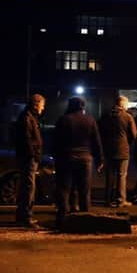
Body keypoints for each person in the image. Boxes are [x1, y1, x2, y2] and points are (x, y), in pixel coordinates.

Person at [53, 96, 104, 228]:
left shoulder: (63, 120)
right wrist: (100, 159)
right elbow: (97, 141)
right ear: (83, 106)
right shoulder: (90, 120)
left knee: (64, 189)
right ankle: (85, 219)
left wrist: (56, 157)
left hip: (67, 157)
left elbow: (56, 141)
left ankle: (62, 218)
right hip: (85, 158)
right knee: (84, 190)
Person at [14, 93, 45, 227]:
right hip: (29, 158)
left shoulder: (28, 117)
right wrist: (33, 155)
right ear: (36, 104)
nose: (43, 108)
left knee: (27, 186)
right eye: (42, 105)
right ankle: (26, 217)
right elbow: (27, 140)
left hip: (28, 157)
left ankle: (22, 215)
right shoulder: (27, 118)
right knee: (28, 187)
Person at [99, 96, 137, 207]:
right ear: (123, 105)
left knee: (110, 175)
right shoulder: (127, 117)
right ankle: (121, 200)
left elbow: (100, 132)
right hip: (123, 150)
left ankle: (108, 199)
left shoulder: (106, 116)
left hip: (108, 149)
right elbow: (134, 135)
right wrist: (128, 141)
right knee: (121, 175)